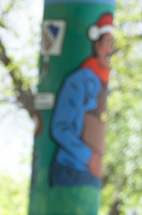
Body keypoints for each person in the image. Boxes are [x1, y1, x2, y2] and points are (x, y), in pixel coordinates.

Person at [49, 13, 114, 188]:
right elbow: (59, 128)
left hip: (91, 174)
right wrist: (89, 157)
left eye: (113, 45)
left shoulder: (108, 85)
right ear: (98, 45)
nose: (111, 51)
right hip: (69, 172)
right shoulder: (79, 80)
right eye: (108, 44)